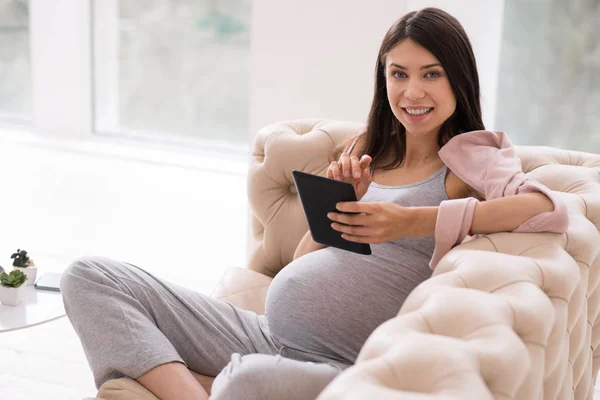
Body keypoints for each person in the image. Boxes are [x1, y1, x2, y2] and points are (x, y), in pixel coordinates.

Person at [61, 7, 565, 400]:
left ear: (458, 77)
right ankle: (200, 388)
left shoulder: (470, 158)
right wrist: (341, 206)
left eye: (431, 74)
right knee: (88, 276)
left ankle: (194, 383)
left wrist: (408, 221)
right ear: (383, 77)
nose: (412, 91)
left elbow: (544, 207)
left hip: (344, 366)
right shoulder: (369, 148)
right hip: (264, 332)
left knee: (246, 385)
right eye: (398, 73)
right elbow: (303, 264)